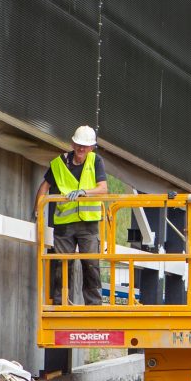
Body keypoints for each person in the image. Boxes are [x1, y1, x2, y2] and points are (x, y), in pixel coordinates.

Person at [34, 125, 108, 305]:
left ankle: (94, 305)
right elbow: (45, 186)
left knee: (90, 264)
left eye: (86, 146)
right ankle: (61, 303)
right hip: (64, 224)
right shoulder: (59, 164)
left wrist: (84, 192)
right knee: (61, 265)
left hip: (88, 224)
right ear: (73, 143)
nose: (82, 149)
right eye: (79, 144)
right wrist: (38, 211)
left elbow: (103, 189)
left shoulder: (95, 161)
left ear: (91, 148)